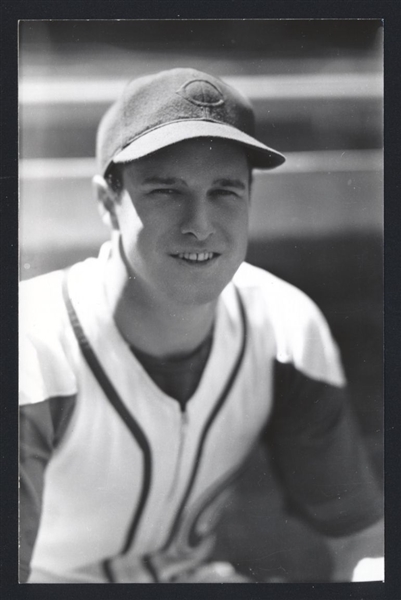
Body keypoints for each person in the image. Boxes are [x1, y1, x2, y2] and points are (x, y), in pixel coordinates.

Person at [19, 67, 383, 584]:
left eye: (225, 191)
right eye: (166, 191)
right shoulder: (30, 342)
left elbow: (361, 538)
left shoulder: (283, 325)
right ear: (107, 202)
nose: (201, 224)